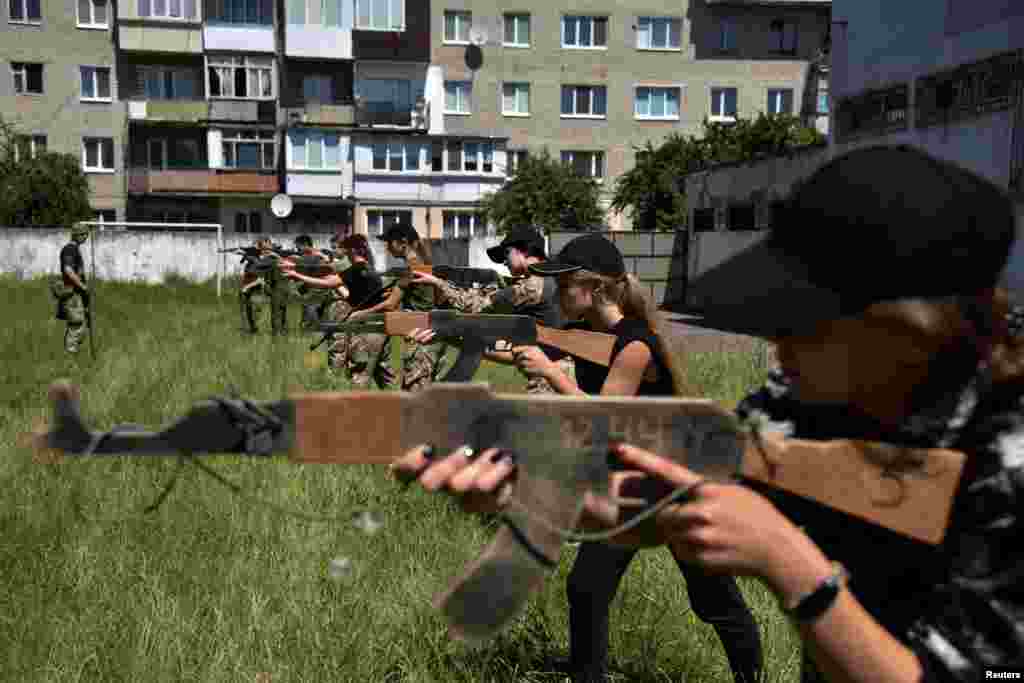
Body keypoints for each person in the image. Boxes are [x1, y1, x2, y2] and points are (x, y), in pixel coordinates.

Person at [393, 146, 1024, 683]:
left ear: (899, 333)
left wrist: (791, 566)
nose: (779, 348)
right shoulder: (804, 397)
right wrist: (527, 488)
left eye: (799, 325)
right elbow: (669, 495)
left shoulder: (1009, 457)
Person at [405, 232, 764, 683]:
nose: (555, 291)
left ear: (593, 288)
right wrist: (453, 331)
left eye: (563, 283)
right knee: (587, 588)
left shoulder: (635, 344)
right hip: (631, 480)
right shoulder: (585, 335)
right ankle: (585, 674)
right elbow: (510, 350)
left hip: (676, 479)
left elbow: (605, 416)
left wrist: (552, 372)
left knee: (713, 599)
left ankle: (753, 678)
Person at [409, 224, 574, 394]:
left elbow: (474, 307)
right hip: (563, 371)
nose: (504, 261)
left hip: (551, 378)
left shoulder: (532, 286)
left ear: (523, 251)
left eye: (506, 253)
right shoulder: (554, 278)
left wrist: (438, 283)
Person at [347, 221, 446, 391]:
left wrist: (361, 314)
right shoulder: (426, 264)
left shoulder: (412, 268)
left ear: (403, 242)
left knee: (414, 400)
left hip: (420, 339)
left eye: (389, 242)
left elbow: (390, 305)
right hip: (434, 336)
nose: (387, 248)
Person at [338, 234, 397, 389]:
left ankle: (359, 410)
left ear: (352, 251)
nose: (345, 255)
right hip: (381, 327)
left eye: (345, 251)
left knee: (361, 373)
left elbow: (330, 282)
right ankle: (400, 406)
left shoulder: (358, 270)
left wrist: (296, 274)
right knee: (384, 373)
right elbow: (356, 299)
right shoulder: (371, 271)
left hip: (367, 329)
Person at [57, 224, 90, 354]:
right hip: (72, 294)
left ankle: (72, 350)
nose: (86, 237)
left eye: (86, 234)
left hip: (77, 294)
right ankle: (70, 354)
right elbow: (68, 270)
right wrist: (82, 286)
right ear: (77, 235)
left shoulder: (75, 249)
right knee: (76, 325)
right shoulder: (70, 249)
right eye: (83, 234)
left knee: (80, 326)